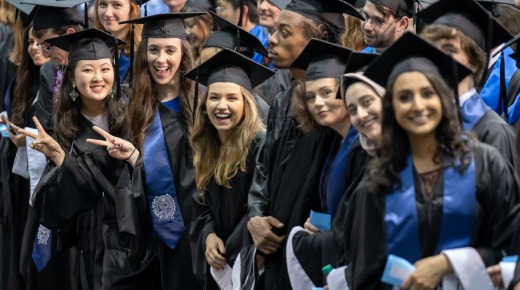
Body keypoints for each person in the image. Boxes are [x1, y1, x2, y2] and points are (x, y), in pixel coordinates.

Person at [342, 32, 520, 290]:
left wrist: (450, 262)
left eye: (427, 93)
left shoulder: (485, 163)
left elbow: (511, 248)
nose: (417, 105)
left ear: (443, 98)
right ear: (392, 107)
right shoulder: (377, 183)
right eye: (404, 97)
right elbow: (364, 275)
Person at [244, 0, 363, 289]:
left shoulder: (336, 113)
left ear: (316, 40)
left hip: (313, 259)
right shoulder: (283, 101)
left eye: (284, 32)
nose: (271, 39)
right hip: (272, 254)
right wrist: (255, 216)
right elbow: (263, 169)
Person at [91, 12, 204, 289]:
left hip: (194, 231)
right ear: (143, 54)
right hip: (145, 237)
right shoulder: (131, 104)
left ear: (183, 55)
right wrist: (132, 158)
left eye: (169, 50)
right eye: (153, 50)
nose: (161, 59)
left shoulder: (202, 101)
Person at [17, 28, 136, 290]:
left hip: (131, 239)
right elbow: (55, 206)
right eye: (88, 70)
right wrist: (61, 159)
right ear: (71, 78)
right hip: (88, 242)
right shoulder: (65, 129)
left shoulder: (132, 118)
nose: (98, 77)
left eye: (105, 69)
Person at [187, 48, 274, 289]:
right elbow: (200, 205)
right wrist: (209, 236)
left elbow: (261, 206)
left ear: (246, 104)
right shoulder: (205, 146)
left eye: (232, 98)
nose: (221, 106)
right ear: (205, 104)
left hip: (250, 264)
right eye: (214, 97)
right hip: (218, 263)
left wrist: (228, 247)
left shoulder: (261, 145)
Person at [418, 0, 517, 168]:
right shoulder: (421, 116)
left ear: (476, 61)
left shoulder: (494, 132)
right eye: (432, 48)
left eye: (449, 50)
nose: (437, 57)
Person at [198, 11, 270, 119]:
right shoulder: (207, 106)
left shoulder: (259, 112)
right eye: (204, 67)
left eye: (213, 67)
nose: (209, 74)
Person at [95, 0, 143, 89]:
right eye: (103, 4)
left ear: (134, 10)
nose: (108, 13)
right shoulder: (94, 50)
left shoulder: (144, 53)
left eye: (117, 5)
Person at [215, 0, 268, 64]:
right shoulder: (232, 38)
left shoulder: (262, 42)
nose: (218, 14)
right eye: (217, 8)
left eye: (222, 8)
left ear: (243, 11)